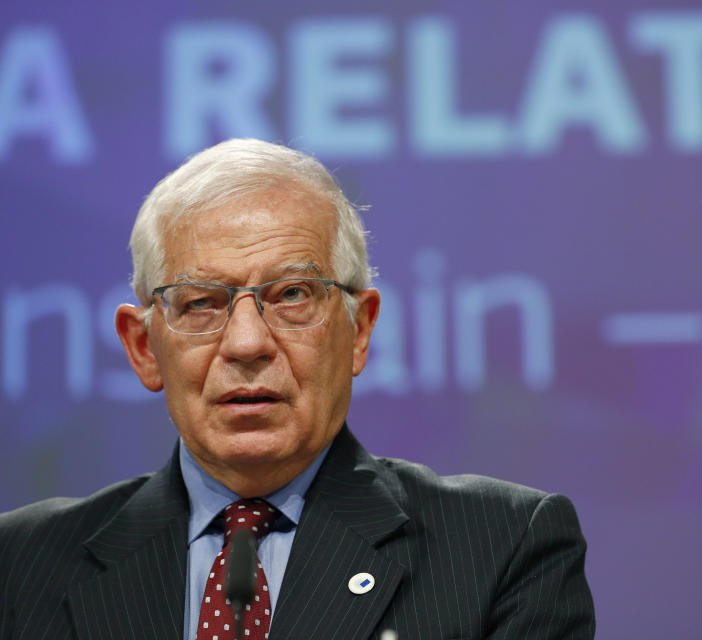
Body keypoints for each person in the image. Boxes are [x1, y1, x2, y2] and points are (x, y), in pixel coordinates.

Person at [0, 139, 595, 640]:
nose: (247, 343)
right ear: (142, 347)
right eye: (202, 303)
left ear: (359, 330)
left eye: (291, 295)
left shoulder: (503, 549)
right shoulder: (19, 565)